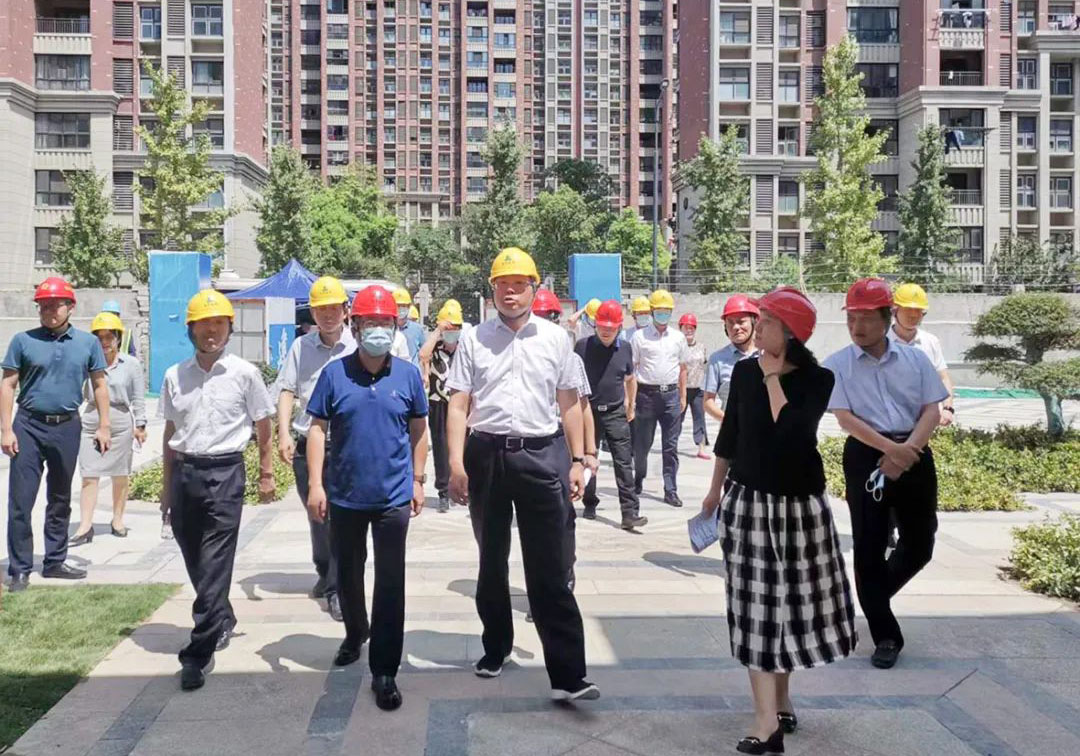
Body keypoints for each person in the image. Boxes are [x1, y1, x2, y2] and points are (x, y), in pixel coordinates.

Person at [701, 286, 856, 755]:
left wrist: (772, 378)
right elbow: (730, 435)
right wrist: (714, 490)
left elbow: (789, 432)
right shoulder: (744, 372)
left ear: (789, 332)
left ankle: (782, 701)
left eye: (766, 321)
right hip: (748, 502)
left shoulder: (818, 380)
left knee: (787, 607)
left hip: (800, 509)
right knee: (755, 611)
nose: (757, 327)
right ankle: (766, 722)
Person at [445, 247, 599, 702]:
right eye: (502, 285)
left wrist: (577, 459)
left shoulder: (556, 339)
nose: (510, 292)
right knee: (491, 559)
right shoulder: (474, 339)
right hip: (486, 455)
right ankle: (496, 648)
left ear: (534, 288)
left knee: (550, 564)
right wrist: (455, 462)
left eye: (519, 285)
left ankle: (568, 675)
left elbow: (570, 403)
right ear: (492, 290)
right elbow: (458, 403)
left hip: (541, 454)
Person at [305, 284, 429, 712]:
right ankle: (356, 631)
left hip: (393, 497)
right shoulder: (334, 374)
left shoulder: (408, 375)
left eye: (384, 322)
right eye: (369, 322)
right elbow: (317, 429)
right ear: (355, 327)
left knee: (391, 582)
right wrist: (316, 484)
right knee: (348, 574)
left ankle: (385, 670)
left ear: (395, 327)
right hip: (345, 496)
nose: (377, 329)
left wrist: (418, 479)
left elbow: (418, 429)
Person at [823, 278, 948, 671]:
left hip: (915, 450)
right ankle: (886, 635)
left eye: (865, 319)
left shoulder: (916, 360)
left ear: (886, 317)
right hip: (865, 455)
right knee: (869, 545)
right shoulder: (837, 365)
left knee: (921, 542)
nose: (857, 327)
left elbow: (932, 410)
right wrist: (889, 451)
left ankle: (874, 598)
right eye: (851, 319)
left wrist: (907, 451)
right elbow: (845, 418)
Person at [160, 289, 276, 691]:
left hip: (225, 473)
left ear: (229, 328)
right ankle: (220, 614)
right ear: (191, 329)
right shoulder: (175, 376)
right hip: (185, 473)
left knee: (215, 562)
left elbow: (263, 424)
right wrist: (166, 487)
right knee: (194, 556)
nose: (212, 331)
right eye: (204, 324)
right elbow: (170, 431)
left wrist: (265, 472)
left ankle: (198, 652)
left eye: (219, 324)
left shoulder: (245, 374)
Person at [2, 277, 111, 590]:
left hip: (67, 426)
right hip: (28, 426)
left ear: (70, 307)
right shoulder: (23, 341)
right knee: (21, 500)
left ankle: (54, 561)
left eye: (55, 305)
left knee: (60, 497)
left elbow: (99, 385)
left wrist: (104, 425)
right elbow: (8, 384)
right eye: (43, 306)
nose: (49, 311)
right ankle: (20, 568)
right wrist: (6, 429)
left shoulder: (87, 343)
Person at [275, 276, 355, 622]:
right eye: (321, 310)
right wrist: (283, 433)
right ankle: (325, 570)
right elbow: (286, 390)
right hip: (308, 444)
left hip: (346, 445)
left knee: (340, 519)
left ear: (345, 310)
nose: (327, 315)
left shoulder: (357, 346)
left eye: (333, 308)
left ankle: (338, 589)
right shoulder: (301, 347)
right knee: (317, 515)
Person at [70, 312, 147, 544]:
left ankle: (117, 520)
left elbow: (138, 397)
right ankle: (85, 525)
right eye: (99, 337)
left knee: (120, 474)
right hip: (91, 418)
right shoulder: (86, 362)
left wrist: (140, 424)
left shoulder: (131, 364)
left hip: (120, 420)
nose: (104, 342)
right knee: (89, 474)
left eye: (109, 337)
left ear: (118, 338)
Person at [576, 300, 647, 530]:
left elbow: (630, 379)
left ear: (619, 327)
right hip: (589, 412)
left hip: (615, 412)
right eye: (602, 326)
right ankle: (589, 502)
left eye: (611, 327)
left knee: (624, 461)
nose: (606, 331)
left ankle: (629, 513)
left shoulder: (625, 348)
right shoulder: (582, 347)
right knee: (589, 459)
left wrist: (631, 404)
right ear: (595, 324)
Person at [630, 288, 689, 508]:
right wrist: (631, 401)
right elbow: (632, 370)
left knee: (670, 446)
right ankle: (639, 477)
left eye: (667, 311)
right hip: (646, 396)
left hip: (670, 396)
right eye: (659, 310)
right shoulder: (639, 337)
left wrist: (682, 395)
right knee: (642, 445)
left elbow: (683, 368)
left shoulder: (678, 338)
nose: (663, 314)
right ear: (652, 311)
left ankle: (670, 489)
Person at [419, 299, 464, 512]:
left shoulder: (465, 347)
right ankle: (443, 492)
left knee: (462, 446)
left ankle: (463, 486)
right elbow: (423, 355)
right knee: (440, 447)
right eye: (448, 328)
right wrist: (438, 331)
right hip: (438, 402)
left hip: (461, 402)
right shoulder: (435, 347)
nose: (451, 332)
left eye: (455, 328)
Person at [891, 283, 955, 427]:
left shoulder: (930, 341)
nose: (913, 315)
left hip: (925, 423)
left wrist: (948, 408)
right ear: (894, 310)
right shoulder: (879, 343)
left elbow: (943, 378)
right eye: (908, 309)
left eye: (918, 310)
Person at [704, 295, 760, 425]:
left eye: (741, 321)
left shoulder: (768, 356)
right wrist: (729, 421)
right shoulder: (717, 360)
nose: (736, 327)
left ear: (754, 322)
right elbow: (708, 401)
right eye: (730, 322)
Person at [679, 313, 710, 460]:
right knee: (677, 418)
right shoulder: (677, 347)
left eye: (692, 327)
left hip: (698, 389)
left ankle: (701, 447)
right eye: (686, 327)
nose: (689, 330)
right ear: (680, 328)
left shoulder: (701, 347)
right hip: (681, 389)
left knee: (700, 418)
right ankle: (671, 444)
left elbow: (705, 365)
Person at [392, 288, 425, 364]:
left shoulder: (417, 329)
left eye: (404, 306)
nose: (400, 308)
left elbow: (425, 352)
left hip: (412, 369)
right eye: (398, 306)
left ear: (409, 306)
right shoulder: (388, 329)